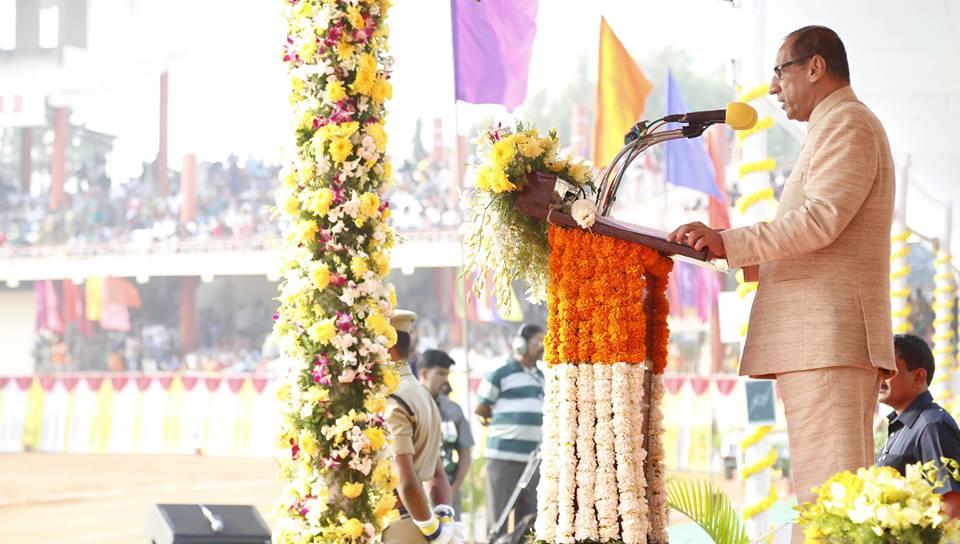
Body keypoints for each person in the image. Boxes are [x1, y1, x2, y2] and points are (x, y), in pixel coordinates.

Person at [667, 26, 897, 542]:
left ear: (815, 67)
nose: (773, 88)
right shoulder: (834, 124)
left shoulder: (847, 123)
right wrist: (727, 252)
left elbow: (820, 221)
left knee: (834, 507)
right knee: (826, 503)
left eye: (779, 71)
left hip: (829, 340)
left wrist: (728, 241)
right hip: (822, 342)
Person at [382, 310, 463, 544]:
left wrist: (433, 531)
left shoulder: (394, 398)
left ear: (388, 348)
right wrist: (443, 517)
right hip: (419, 521)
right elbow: (436, 472)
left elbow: (405, 482)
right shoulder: (421, 394)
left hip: (398, 526)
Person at [877, 334, 960, 518]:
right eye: (879, 368)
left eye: (888, 368)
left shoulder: (932, 426)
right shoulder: (901, 426)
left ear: (918, 377)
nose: (880, 376)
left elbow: (952, 508)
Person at [475, 323, 545, 533]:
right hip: (504, 458)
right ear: (520, 344)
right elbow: (481, 408)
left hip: (532, 460)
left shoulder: (541, 377)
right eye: (537, 342)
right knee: (499, 520)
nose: (542, 346)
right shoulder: (500, 373)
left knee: (531, 522)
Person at [417, 349, 475, 520]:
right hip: (417, 492)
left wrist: (454, 487)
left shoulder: (453, 409)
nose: (445, 379)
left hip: (448, 490)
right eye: (440, 373)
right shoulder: (410, 407)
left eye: (447, 374)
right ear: (425, 373)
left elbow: (465, 452)